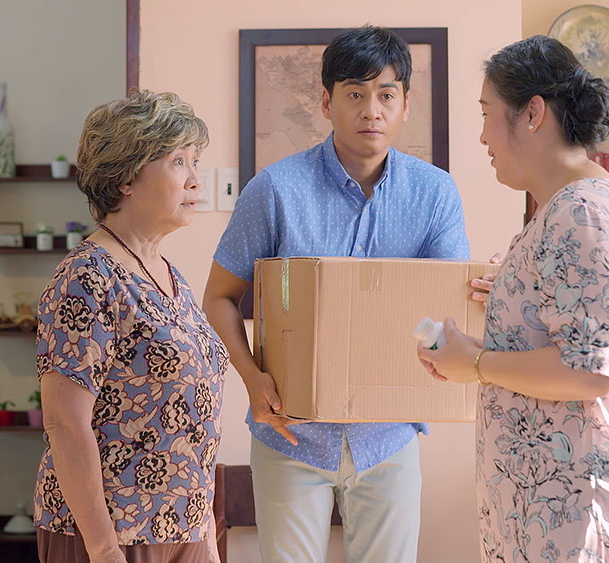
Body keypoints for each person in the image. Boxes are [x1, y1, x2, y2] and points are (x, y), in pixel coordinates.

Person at [203, 25, 469, 563]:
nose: (372, 110)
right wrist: (252, 378)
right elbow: (219, 298)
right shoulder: (275, 188)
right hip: (291, 435)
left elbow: (445, 308)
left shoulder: (435, 193)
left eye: (386, 95)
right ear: (326, 103)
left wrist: (481, 296)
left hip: (388, 435)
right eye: (355, 94)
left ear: (405, 105)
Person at [417, 36, 609, 562]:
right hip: (561, 516)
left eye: (487, 114)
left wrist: (478, 364)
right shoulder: (580, 204)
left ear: (533, 113)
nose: (482, 135)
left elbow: (593, 370)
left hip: (580, 523)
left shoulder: (581, 212)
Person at [33, 89, 229, 563]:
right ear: (125, 178)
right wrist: (103, 548)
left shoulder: (168, 274)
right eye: (178, 162)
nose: (195, 179)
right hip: (113, 535)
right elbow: (64, 422)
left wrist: (205, 533)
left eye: (195, 161)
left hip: (184, 528)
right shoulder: (87, 277)